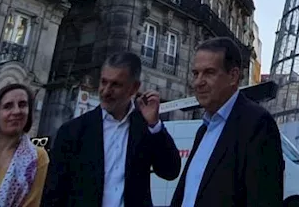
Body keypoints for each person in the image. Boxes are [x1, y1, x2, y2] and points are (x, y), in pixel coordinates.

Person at [43, 52, 182, 207]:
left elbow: (170, 171)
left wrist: (154, 125)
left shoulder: (143, 127)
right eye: (104, 82)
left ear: (134, 88)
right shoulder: (73, 130)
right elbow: (53, 193)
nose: (106, 91)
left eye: (116, 84)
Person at [171, 36, 283, 207]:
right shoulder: (204, 130)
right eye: (196, 73)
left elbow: (263, 199)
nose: (198, 82)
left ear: (233, 76)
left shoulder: (257, 124)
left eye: (209, 72)